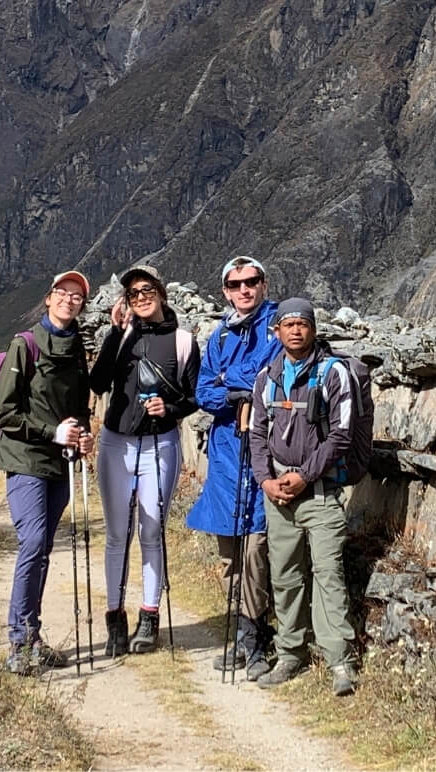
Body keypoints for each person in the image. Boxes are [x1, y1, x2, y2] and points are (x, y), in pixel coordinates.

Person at [249, 297, 358, 697]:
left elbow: (341, 436)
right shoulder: (267, 378)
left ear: (313, 329)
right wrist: (266, 480)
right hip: (278, 495)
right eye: (288, 324)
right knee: (285, 575)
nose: (296, 330)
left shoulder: (334, 373)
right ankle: (289, 653)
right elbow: (257, 434)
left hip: (321, 493)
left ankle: (339, 661)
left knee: (328, 574)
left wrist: (304, 475)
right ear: (276, 331)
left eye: (303, 324)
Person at [91, 263, 200, 655]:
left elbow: (193, 397)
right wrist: (114, 333)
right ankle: (115, 621)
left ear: (161, 293)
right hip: (116, 443)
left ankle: (148, 620)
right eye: (133, 292)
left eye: (147, 289)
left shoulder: (183, 341)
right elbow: (98, 382)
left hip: (160, 443)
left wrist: (168, 409)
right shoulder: (121, 336)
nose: (140, 297)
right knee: (117, 534)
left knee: (151, 531)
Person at [0, 269, 94, 675]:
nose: (69, 300)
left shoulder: (77, 348)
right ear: (49, 298)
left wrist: (82, 434)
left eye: (77, 296)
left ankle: (32, 637)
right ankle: (19, 642)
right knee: (33, 542)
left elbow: (79, 406)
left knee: (43, 547)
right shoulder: (26, 345)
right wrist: (53, 432)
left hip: (60, 462)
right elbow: (4, 411)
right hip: (26, 459)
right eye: (62, 293)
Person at [186, 256, 281, 680]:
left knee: (256, 548)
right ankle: (246, 638)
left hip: (263, 449)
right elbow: (203, 390)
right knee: (230, 552)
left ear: (263, 284)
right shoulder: (220, 335)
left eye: (251, 281)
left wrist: (230, 381)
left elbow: (267, 375)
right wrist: (229, 391)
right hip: (226, 454)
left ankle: (258, 637)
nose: (244, 289)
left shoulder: (278, 324)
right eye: (235, 284)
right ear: (225, 290)